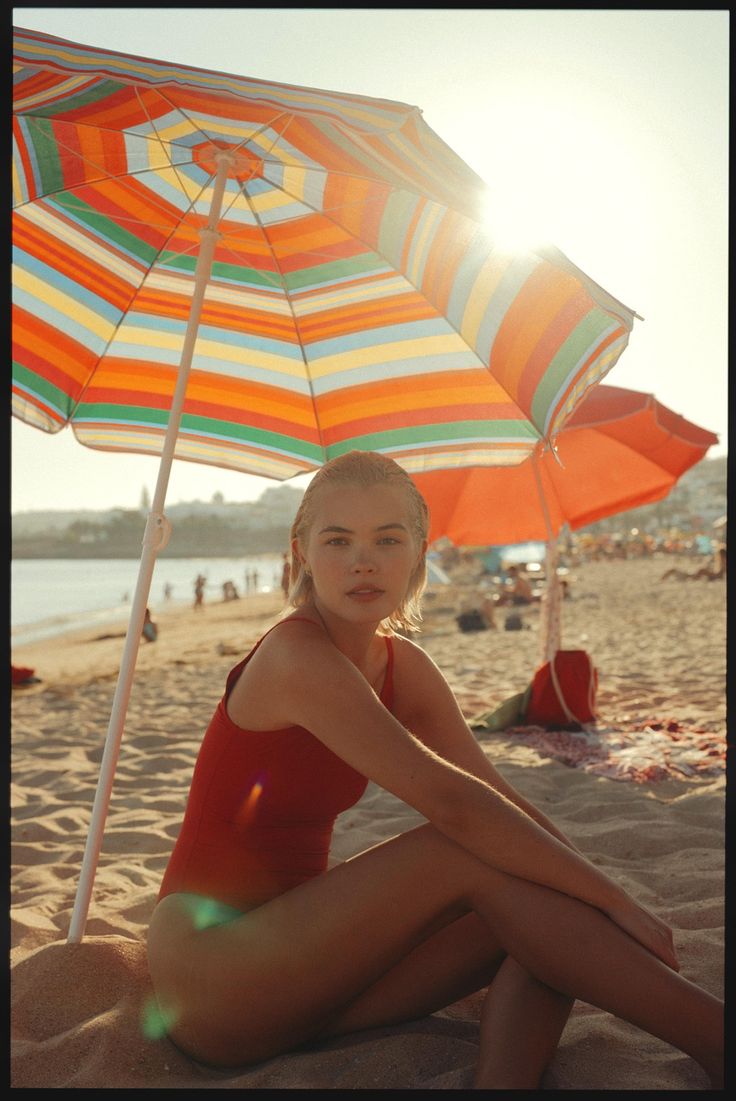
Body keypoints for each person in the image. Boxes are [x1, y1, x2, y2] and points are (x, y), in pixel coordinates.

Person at [147, 451, 723, 1088]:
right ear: (302, 551)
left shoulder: (404, 667)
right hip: (214, 982)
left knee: (536, 906)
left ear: (419, 553)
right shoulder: (294, 657)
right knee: (466, 852)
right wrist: (616, 900)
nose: (362, 561)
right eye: (337, 540)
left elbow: (494, 793)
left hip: (312, 973)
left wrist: (594, 891)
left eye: (386, 540)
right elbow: (456, 806)